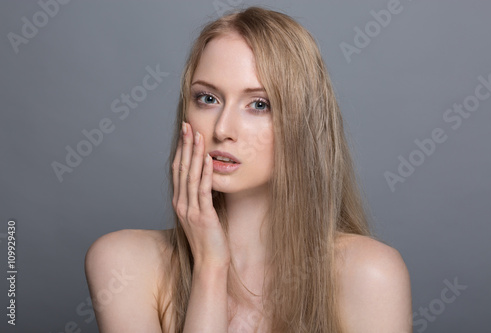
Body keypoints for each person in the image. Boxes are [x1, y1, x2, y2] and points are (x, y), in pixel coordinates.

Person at [85, 6, 412, 332]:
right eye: (207, 99)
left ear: (302, 125)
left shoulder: (369, 274)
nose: (222, 129)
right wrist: (210, 268)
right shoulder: (122, 264)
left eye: (259, 104)